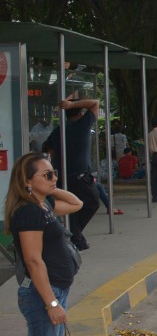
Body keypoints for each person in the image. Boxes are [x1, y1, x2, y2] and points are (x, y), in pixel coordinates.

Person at [6, 152, 84, 336]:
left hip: (55, 291)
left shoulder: (44, 205)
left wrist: (49, 187)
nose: (54, 179)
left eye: (54, 173)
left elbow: (76, 203)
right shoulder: (28, 212)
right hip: (42, 296)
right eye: (47, 175)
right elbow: (33, 261)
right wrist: (51, 303)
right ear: (27, 182)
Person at [41, 95, 100, 251]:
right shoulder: (83, 125)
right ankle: (75, 235)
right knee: (92, 202)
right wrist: (72, 103)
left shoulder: (57, 131)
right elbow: (95, 103)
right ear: (80, 113)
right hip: (81, 176)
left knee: (71, 208)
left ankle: (77, 237)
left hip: (63, 176)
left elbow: (49, 151)